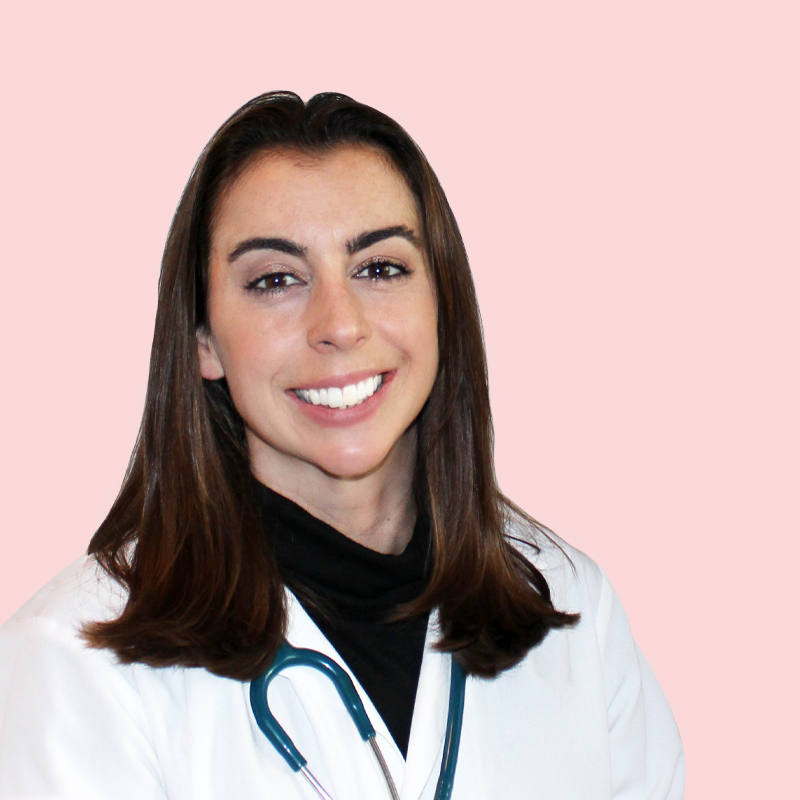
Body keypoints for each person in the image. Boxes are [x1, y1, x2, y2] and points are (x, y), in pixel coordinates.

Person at [0, 92, 684, 799]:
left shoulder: (570, 612)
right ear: (203, 341)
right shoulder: (76, 665)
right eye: (275, 280)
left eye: (380, 269)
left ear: (441, 306)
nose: (339, 325)